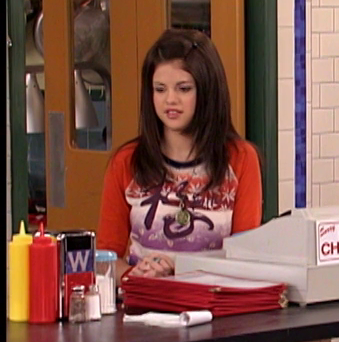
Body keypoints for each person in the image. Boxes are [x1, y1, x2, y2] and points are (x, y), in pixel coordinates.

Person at [97, 28, 262, 284]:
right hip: (142, 302)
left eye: (183, 89)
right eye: (160, 89)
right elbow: (104, 260)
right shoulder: (126, 161)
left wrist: (179, 273)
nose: (170, 100)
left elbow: (245, 261)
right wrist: (136, 276)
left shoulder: (241, 159)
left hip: (212, 302)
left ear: (207, 91)